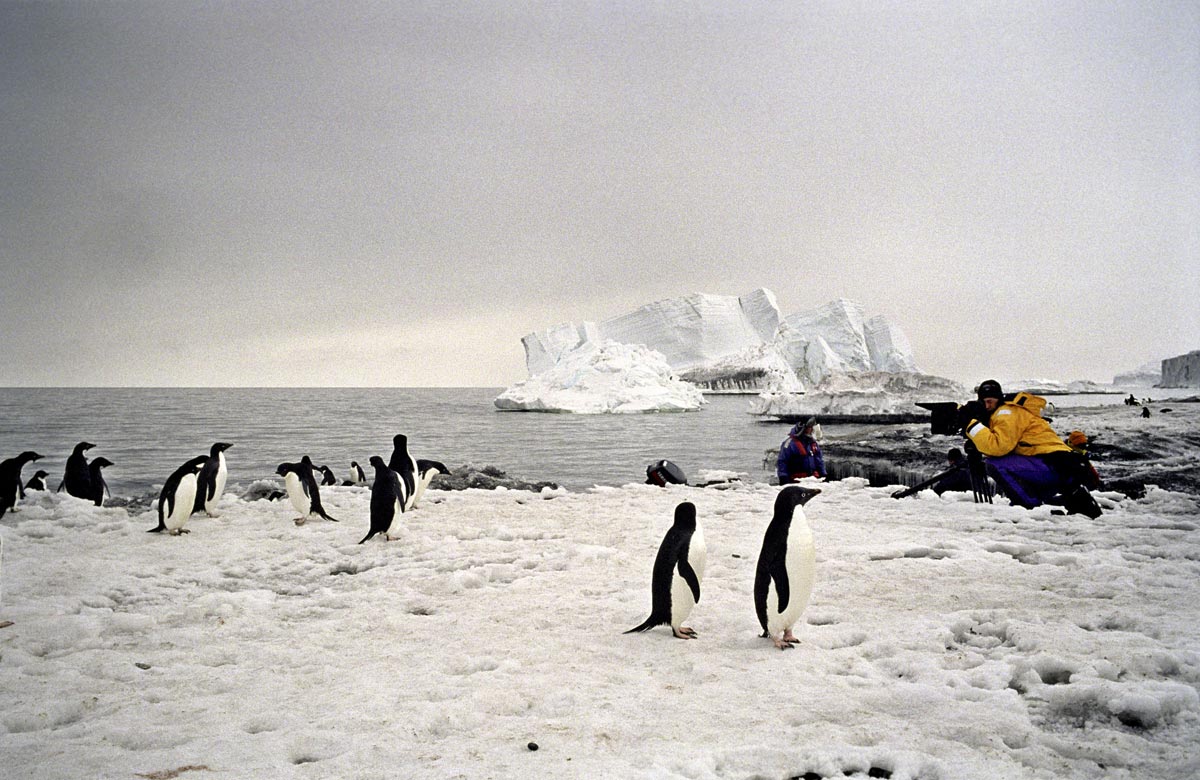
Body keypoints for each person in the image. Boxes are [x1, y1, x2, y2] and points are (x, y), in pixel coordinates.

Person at [957, 380, 1101, 517]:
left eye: (990, 402)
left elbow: (997, 447)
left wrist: (971, 425)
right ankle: (1035, 500)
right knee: (1005, 462)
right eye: (984, 402)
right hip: (1060, 467)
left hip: (1052, 466)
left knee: (994, 463)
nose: (987, 406)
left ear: (999, 400)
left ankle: (1028, 506)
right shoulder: (1014, 411)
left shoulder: (1006, 413)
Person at [776, 417, 826, 483]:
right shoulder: (789, 444)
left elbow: (819, 461)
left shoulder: (813, 443)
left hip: (813, 480)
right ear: (803, 428)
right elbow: (782, 461)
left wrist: (823, 474)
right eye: (810, 427)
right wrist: (783, 477)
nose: (812, 430)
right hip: (797, 480)